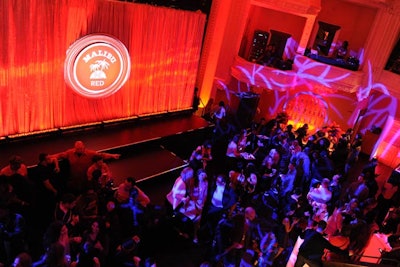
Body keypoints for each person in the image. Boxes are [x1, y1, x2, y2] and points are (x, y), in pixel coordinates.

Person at [50, 141, 120, 195]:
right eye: (77, 149)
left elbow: (101, 155)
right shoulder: (70, 153)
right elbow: (60, 155)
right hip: (74, 180)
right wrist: (50, 157)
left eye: (80, 149)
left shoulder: (90, 153)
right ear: (75, 148)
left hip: (86, 181)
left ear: (84, 147)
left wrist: (112, 155)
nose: (79, 150)